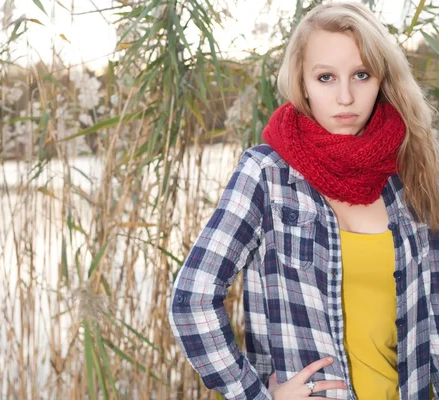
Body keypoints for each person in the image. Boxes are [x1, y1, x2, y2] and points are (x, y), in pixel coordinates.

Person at [168, 2, 439, 399]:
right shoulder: (267, 175)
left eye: (361, 75)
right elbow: (192, 300)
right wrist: (256, 395)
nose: (345, 96)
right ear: (303, 83)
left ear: (382, 79)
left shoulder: (412, 172)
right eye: (326, 77)